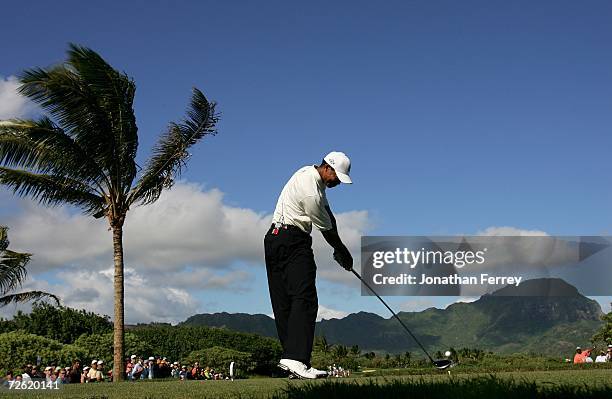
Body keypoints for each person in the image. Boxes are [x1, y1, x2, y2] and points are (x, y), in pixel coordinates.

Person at [265, 151, 353, 379]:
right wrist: (341, 251)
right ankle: (295, 359)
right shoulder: (310, 191)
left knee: (284, 300)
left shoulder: (308, 175)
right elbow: (326, 229)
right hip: (293, 240)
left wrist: (340, 247)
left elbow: (329, 215)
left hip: (275, 238)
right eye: (337, 178)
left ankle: (292, 361)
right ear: (328, 168)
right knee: (304, 298)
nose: (337, 184)